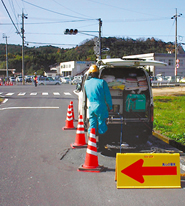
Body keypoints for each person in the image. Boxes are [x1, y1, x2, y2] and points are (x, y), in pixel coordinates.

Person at [84, 64, 113, 151]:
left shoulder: (86, 83)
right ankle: (101, 145)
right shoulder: (102, 82)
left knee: (92, 125)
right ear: (98, 73)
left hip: (91, 106)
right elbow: (107, 96)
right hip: (100, 106)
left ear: (90, 73)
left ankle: (91, 144)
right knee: (101, 124)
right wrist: (110, 106)